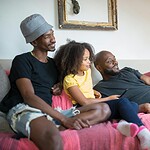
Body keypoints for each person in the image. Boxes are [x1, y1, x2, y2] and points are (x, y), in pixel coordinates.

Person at [0, 14, 111, 150]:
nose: (53, 39)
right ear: (34, 42)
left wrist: (59, 86)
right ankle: (51, 128)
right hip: (24, 108)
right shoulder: (22, 60)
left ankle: (51, 128)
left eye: (52, 34)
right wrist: (64, 119)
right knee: (52, 137)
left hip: (49, 111)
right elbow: (28, 96)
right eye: (47, 36)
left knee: (103, 109)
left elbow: (63, 83)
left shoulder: (53, 64)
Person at [54, 41, 150, 150]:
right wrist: (109, 98)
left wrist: (93, 92)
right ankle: (143, 133)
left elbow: (85, 88)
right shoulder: (70, 80)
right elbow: (84, 101)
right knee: (122, 102)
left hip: (94, 104)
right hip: (84, 107)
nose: (89, 62)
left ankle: (123, 124)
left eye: (89, 58)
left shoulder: (87, 72)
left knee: (129, 104)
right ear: (74, 61)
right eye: (85, 59)